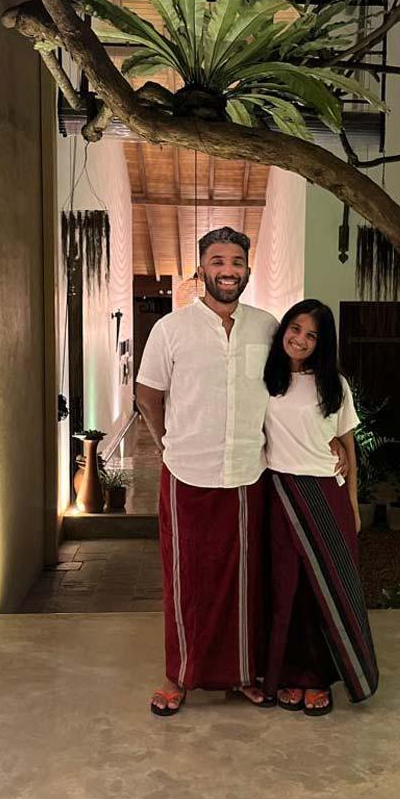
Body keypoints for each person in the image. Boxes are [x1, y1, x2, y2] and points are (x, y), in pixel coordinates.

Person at [135, 227, 279, 716]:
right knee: (186, 581)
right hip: (187, 475)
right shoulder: (171, 329)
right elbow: (148, 395)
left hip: (247, 474)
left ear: (247, 270)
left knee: (244, 581)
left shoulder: (267, 327)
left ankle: (241, 675)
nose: (227, 270)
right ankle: (179, 676)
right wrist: (165, 443)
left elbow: (286, 392)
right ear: (202, 269)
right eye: (218, 261)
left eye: (236, 261)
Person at [262, 299, 379, 716]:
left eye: (312, 335)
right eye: (295, 329)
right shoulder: (266, 379)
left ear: (321, 343)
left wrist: (353, 505)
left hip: (327, 494)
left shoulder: (334, 385)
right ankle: (286, 674)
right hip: (280, 492)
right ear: (283, 330)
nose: (300, 340)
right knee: (285, 588)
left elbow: (348, 446)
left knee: (324, 589)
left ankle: (318, 679)